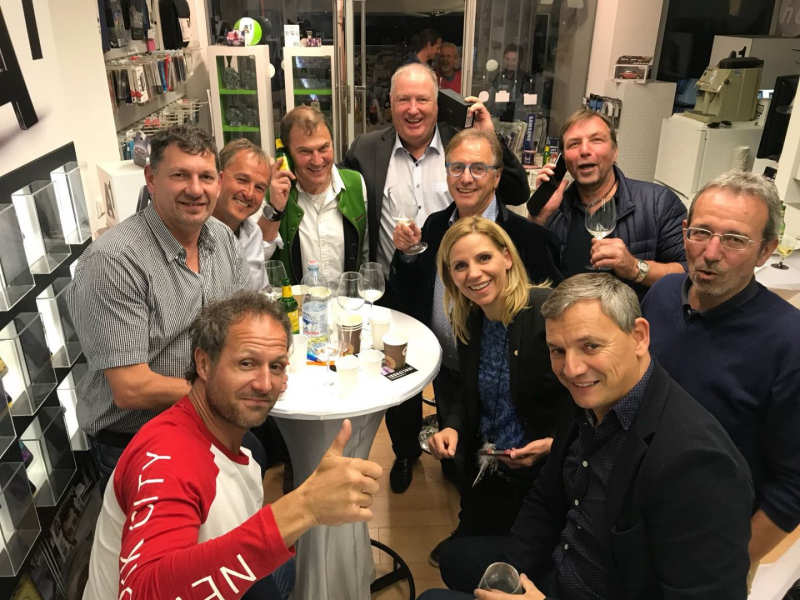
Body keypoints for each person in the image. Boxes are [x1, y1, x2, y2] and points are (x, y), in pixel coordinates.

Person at [423, 273, 754, 600]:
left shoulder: (697, 466)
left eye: (590, 346)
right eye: (557, 350)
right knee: (455, 559)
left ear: (639, 336)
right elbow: (546, 497)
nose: (572, 369)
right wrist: (512, 575)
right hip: (558, 568)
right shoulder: (589, 397)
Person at [82, 290, 383, 600]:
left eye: (276, 367)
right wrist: (304, 505)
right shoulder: (168, 457)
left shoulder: (243, 445)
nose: (264, 384)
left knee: (283, 571)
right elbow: (143, 593)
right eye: (247, 363)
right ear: (204, 364)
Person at [342, 63, 530, 493]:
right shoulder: (366, 149)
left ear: (437, 103)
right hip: (399, 285)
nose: (413, 109)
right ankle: (405, 451)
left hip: (464, 285)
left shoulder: (461, 143)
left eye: (422, 99)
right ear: (389, 104)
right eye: (403, 100)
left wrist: (491, 136)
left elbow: (515, 191)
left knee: (461, 369)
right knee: (400, 377)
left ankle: (459, 448)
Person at [67, 125, 253, 493]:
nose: (195, 189)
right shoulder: (114, 261)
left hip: (209, 421)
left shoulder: (221, 237)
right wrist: (222, 391)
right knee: (170, 532)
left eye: (206, 177)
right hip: (137, 439)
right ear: (151, 179)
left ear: (218, 183)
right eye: (180, 175)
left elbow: (243, 322)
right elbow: (131, 388)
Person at [642, 170, 800, 582]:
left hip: (711, 549)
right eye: (701, 233)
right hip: (634, 523)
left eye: (734, 239)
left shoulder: (790, 343)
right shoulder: (661, 296)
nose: (711, 253)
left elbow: (793, 486)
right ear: (684, 232)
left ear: (766, 250)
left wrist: (726, 566)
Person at [389, 128, 561, 487]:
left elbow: (557, 317)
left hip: (513, 390)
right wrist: (406, 256)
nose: (466, 178)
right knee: (460, 465)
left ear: (497, 176)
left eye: (478, 168)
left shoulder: (529, 238)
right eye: (457, 167)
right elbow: (415, 290)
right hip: (449, 371)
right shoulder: (435, 225)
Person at [420, 216, 568, 567]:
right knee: (466, 556)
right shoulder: (471, 318)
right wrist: (452, 426)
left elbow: (591, 399)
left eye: (483, 258)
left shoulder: (547, 311)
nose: (474, 273)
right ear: (450, 277)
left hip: (545, 475)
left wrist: (554, 444)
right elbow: (470, 393)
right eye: (460, 266)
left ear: (507, 257)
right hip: (489, 465)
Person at [528, 109, 687, 299]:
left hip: (630, 317)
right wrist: (538, 218)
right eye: (574, 144)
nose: (584, 150)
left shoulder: (658, 203)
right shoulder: (555, 208)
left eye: (596, 140)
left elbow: (688, 272)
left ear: (615, 151)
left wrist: (634, 268)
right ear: (564, 160)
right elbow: (527, 276)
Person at [264, 106, 368, 284]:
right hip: (295, 301)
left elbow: (365, 253)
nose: (317, 160)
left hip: (346, 300)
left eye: (323, 148)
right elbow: (258, 259)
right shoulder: (271, 191)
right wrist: (275, 209)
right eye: (305, 151)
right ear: (287, 154)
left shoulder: (355, 184)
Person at [212, 138, 272, 289]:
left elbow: (262, 292)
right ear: (218, 178)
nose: (249, 194)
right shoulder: (192, 232)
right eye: (242, 180)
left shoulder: (253, 234)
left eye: (259, 187)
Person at [487, 44, 533, 122]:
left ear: (519, 61)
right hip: (498, 117)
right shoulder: (499, 76)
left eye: (513, 60)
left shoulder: (525, 78)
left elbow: (526, 104)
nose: (509, 63)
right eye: (507, 59)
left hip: (517, 119)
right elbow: (491, 99)